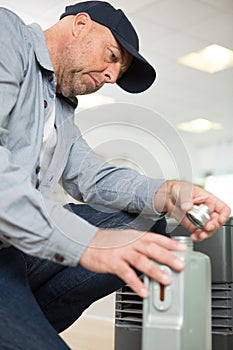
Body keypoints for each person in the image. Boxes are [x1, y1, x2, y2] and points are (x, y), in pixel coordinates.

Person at [0, 1, 230, 349]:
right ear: (80, 25)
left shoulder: (61, 110)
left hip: (12, 249)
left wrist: (168, 193)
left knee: (144, 224)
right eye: (111, 56)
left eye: (118, 73)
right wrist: (87, 241)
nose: (110, 77)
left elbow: (94, 178)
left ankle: (27, 324)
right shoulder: (7, 36)